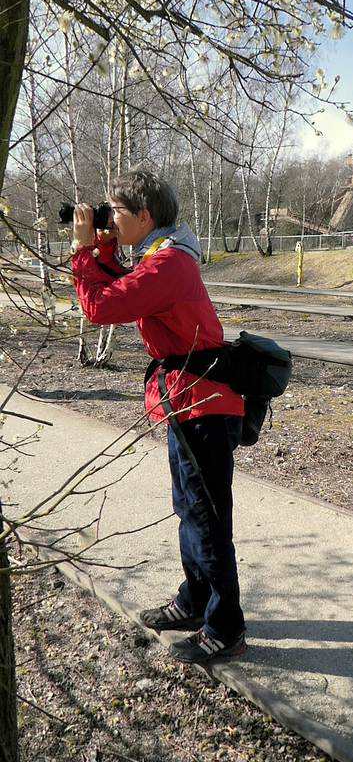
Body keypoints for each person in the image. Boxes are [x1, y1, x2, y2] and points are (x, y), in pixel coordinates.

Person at [71, 169, 246, 663]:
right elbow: (120, 288)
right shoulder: (158, 257)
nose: (107, 218)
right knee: (190, 510)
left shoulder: (168, 264)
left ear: (144, 216)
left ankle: (225, 627)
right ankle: (195, 601)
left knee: (209, 520)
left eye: (116, 212)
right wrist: (102, 249)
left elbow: (101, 308)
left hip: (204, 408)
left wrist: (84, 250)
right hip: (188, 403)